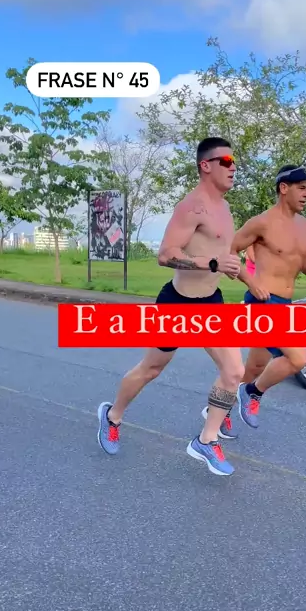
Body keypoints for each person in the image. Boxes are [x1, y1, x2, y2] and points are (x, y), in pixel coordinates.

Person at [97, 136, 244, 476]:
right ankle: (112, 416)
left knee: (234, 371)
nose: (233, 167)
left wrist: (247, 277)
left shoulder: (224, 208)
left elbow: (225, 256)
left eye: (235, 162)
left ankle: (206, 440)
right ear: (205, 165)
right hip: (178, 302)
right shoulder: (191, 207)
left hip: (211, 303)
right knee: (151, 369)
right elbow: (165, 254)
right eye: (226, 161)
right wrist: (211, 263)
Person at [230, 164, 306, 429]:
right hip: (263, 301)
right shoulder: (262, 222)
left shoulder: (305, 225)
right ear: (283, 188)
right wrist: (251, 281)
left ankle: (217, 412)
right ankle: (252, 393)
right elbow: (228, 251)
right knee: (299, 358)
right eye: (301, 188)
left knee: (254, 368)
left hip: (284, 303)